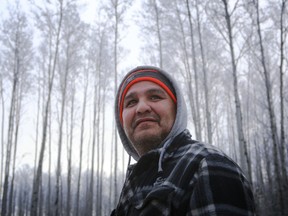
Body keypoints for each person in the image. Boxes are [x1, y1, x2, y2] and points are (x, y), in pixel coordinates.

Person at [111, 66, 255, 216]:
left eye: (154, 97)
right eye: (131, 102)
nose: (141, 108)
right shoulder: (133, 182)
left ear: (177, 109)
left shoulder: (206, 163)